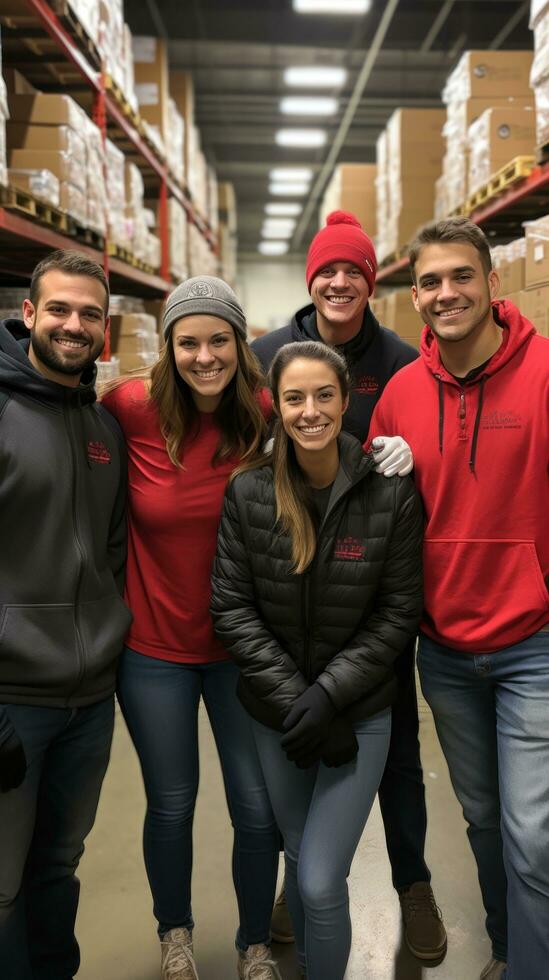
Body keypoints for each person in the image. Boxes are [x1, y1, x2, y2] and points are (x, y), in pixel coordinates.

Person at [252, 210, 446, 960]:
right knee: (290, 738)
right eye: (328, 271)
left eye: (354, 272)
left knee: (395, 752)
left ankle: (413, 885)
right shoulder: (266, 353)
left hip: (368, 599)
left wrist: (409, 452)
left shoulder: (402, 361)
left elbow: (432, 438)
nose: (340, 282)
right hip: (289, 592)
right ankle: (298, 879)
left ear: (370, 282)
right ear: (311, 279)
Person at [368, 216, 549, 980]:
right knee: (481, 820)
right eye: (432, 282)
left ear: (491, 282)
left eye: (461, 276)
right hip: (442, 650)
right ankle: (509, 949)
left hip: (532, 644)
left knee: (532, 832)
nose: (448, 293)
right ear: (415, 297)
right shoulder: (402, 394)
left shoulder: (543, 371)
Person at [211, 340, 424, 980]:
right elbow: (231, 607)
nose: (310, 411)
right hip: (275, 716)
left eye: (324, 395)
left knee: (324, 877)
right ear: (275, 405)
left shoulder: (388, 492)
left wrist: (330, 694)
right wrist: (294, 699)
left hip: (358, 716)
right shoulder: (248, 491)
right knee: (301, 860)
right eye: (295, 397)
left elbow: (397, 610)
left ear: (345, 399)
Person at [101, 276, 281, 980]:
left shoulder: (263, 413)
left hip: (242, 649)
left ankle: (254, 943)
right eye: (188, 342)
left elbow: (324, 460)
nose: (204, 356)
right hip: (154, 652)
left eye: (217, 340)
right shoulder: (129, 408)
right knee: (171, 804)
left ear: (238, 344)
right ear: (168, 348)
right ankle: (174, 932)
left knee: (255, 808)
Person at [0, 249, 132, 980]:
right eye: (59, 309)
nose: (74, 325)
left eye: (89, 313)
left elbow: (112, 558)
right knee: (3, 885)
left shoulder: (102, 428)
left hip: (88, 700)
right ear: (29, 315)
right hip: (13, 698)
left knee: (59, 865)